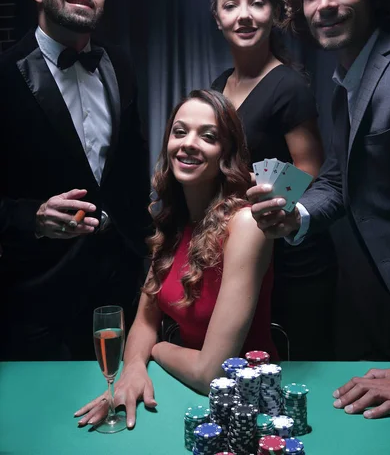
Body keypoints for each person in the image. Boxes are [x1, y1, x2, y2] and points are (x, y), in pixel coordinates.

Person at [75, 89, 277, 429]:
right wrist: (133, 370)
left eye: (208, 136)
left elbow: (211, 372)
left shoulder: (245, 224)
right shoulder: (171, 221)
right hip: (180, 388)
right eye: (180, 131)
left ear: (225, 152)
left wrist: (155, 352)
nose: (188, 143)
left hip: (243, 402)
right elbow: (144, 320)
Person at [247, 0, 390, 371]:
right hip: (367, 300)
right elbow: (338, 176)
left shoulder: (295, 81)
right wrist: (291, 216)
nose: (326, 3)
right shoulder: (339, 87)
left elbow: (318, 169)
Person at [0, 0, 150, 361]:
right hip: (34, 290)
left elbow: (132, 163)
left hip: (118, 283)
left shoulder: (120, 65)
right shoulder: (5, 75)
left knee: (119, 404)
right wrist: (32, 217)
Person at [210, 0, 337, 360]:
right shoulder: (218, 86)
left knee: (291, 371)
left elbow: (312, 170)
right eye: (231, 5)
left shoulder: (288, 85)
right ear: (218, 18)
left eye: (257, 2)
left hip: (293, 261)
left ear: (275, 14)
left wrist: (273, 213)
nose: (244, 14)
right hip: (243, 256)